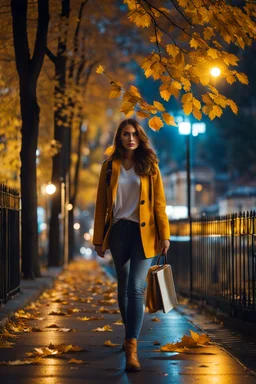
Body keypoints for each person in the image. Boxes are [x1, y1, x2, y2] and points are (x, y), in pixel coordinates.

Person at [93, 118, 170, 372]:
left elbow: (159, 203)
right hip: (118, 232)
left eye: (135, 134)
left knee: (136, 287)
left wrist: (165, 235)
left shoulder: (149, 166)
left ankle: (132, 348)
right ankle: (128, 337)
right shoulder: (108, 167)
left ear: (140, 137)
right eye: (126, 134)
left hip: (143, 233)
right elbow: (101, 206)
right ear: (120, 137)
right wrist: (98, 239)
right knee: (123, 286)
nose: (131, 138)